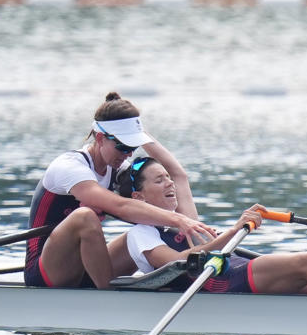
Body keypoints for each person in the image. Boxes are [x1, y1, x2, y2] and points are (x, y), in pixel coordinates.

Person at [117, 157, 307, 296]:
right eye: (159, 180)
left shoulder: (183, 217)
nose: (169, 183)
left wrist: (138, 132)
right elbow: (179, 261)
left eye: (167, 178)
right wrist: (234, 230)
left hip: (244, 270)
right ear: (138, 197)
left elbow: (179, 173)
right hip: (226, 284)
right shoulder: (141, 233)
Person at [24, 92, 217, 289]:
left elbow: (177, 176)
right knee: (85, 216)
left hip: (87, 268)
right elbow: (121, 206)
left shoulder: (118, 170)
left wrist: (188, 223)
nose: (129, 154)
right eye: (123, 146)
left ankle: (186, 278)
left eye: (133, 146)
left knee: (143, 229)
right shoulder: (69, 167)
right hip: (46, 271)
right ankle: (108, 296)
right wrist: (179, 220)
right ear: (100, 138)